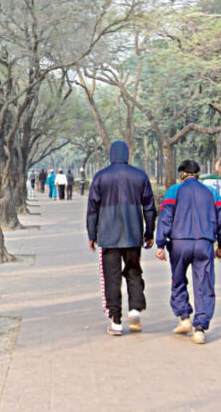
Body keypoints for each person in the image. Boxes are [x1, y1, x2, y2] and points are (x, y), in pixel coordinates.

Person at [155, 160, 221, 345]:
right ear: (198, 174)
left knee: (178, 280)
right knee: (204, 284)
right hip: (204, 244)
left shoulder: (174, 191)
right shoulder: (211, 193)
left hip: (179, 244)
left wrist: (160, 243)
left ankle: (184, 317)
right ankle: (199, 329)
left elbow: (165, 217)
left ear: (182, 174)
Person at [86, 141, 156, 336]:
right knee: (134, 272)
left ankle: (116, 321)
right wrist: (149, 233)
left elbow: (92, 209)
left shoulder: (100, 177)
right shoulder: (140, 176)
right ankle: (135, 309)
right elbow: (149, 208)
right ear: (127, 155)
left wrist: (92, 235)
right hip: (133, 235)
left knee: (112, 277)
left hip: (108, 236)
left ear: (111, 155)